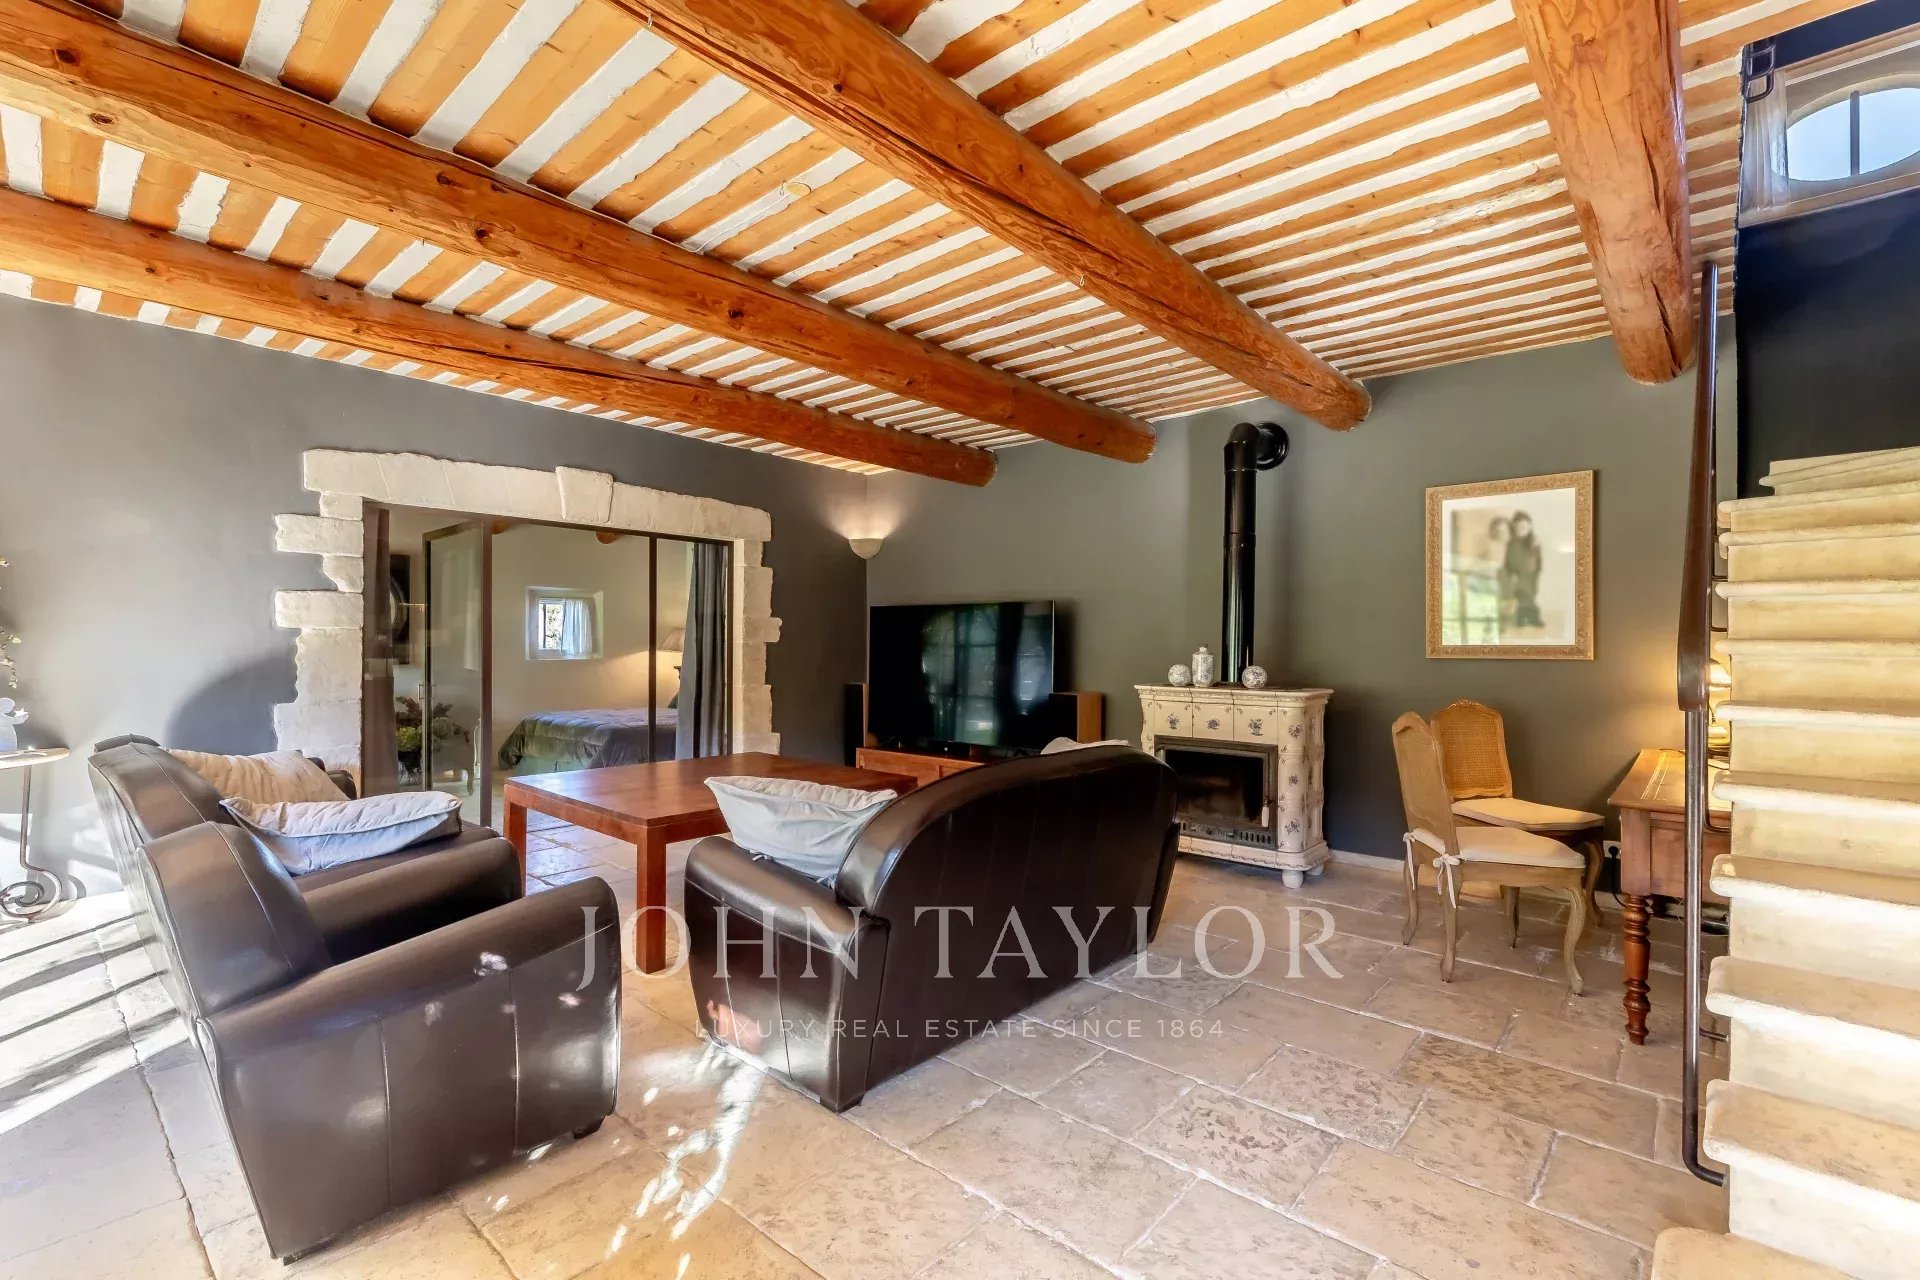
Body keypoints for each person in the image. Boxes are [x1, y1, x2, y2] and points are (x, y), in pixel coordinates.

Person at [1503, 511, 1545, 630]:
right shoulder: (1512, 543)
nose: (1522, 530)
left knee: (1531, 594)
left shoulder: (1533, 541)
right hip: (1518, 574)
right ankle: (1532, 617)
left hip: (1532, 574)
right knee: (1523, 595)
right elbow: (1508, 560)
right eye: (1519, 527)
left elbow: (1538, 558)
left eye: (1525, 527)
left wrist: (1538, 570)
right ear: (1514, 528)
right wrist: (1510, 573)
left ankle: (1522, 618)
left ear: (1530, 527)